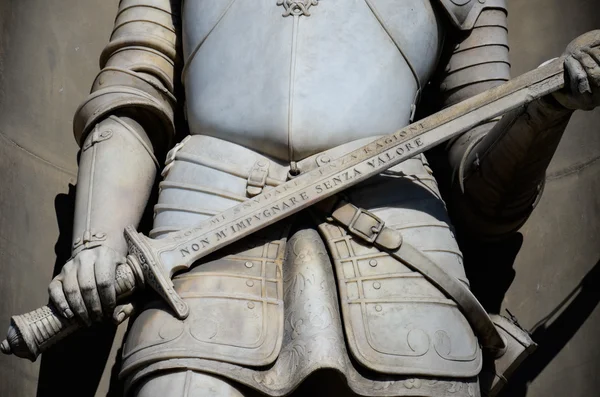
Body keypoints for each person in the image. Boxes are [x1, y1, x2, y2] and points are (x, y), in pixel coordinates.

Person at [47, 1, 600, 396]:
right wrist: (96, 243)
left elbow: (482, 194)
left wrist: (545, 109)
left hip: (398, 249)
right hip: (203, 234)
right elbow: (132, 99)